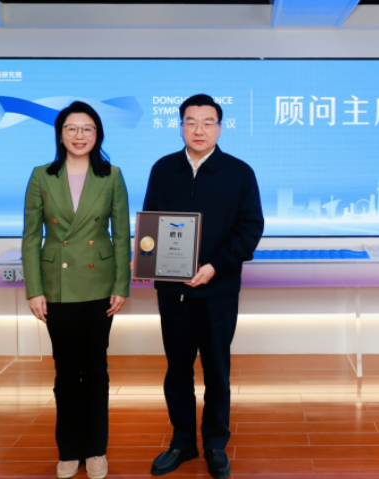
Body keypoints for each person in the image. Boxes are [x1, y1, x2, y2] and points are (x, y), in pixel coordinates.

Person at [143, 94, 264, 479]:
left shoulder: (239, 172)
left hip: (218, 292)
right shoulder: (163, 169)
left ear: (220, 128)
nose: (199, 129)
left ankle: (215, 444)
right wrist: (147, 259)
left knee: (217, 372)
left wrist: (215, 266)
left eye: (207, 122)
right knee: (177, 371)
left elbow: (250, 229)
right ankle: (182, 442)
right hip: (173, 293)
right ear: (180, 126)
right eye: (191, 122)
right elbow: (150, 224)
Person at [22, 101, 131, 479]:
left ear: (97, 134)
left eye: (87, 129)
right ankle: (69, 450)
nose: (79, 135)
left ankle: (96, 450)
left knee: (96, 371)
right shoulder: (41, 176)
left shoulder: (112, 176)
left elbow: (122, 235)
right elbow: (31, 236)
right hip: (57, 286)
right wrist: (34, 290)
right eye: (72, 128)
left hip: (99, 284)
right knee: (66, 372)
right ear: (60, 134)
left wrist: (121, 284)